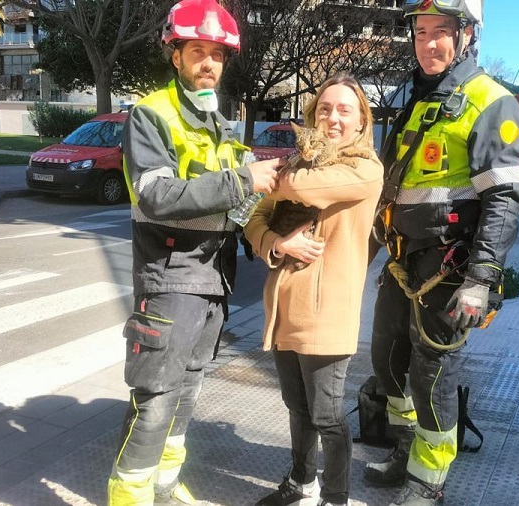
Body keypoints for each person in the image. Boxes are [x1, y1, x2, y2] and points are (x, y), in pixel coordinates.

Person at [107, 1, 282, 504]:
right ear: (176, 55)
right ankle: (131, 496)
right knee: (157, 397)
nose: (209, 64)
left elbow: (240, 203)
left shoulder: (219, 123)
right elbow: (156, 196)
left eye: (217, 55)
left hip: (212, 278)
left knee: (187, 391)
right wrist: (242, 179)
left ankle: (164, 487)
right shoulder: (151, 114)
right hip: (170, 277)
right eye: (198, 52)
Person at [365, 0, 519, 504]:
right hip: (401, 258)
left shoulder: (490, 100)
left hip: (450, 268)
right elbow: (392, 187)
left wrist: (481, 279)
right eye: (421, 32)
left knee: (432, 373)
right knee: (386, 358)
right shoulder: (420, 96)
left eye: (441, 32)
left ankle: (426, 481)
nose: (428, 43)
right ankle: (404, 446)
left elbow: (504, 199)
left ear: (465, 37)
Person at [243, 74, 384, 506]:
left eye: (344, 110)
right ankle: (301, 482)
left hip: (328, 313)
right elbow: (252, 214)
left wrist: (264, 175)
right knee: (297, 407)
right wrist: (276, 242)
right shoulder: (299, 162)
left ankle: (335, 496)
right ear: (312, 116)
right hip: (284, 309)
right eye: (324, 109)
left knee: (327, 415)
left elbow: (303, 187)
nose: (333, 118)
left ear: (362, 122)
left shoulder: (365, 170)